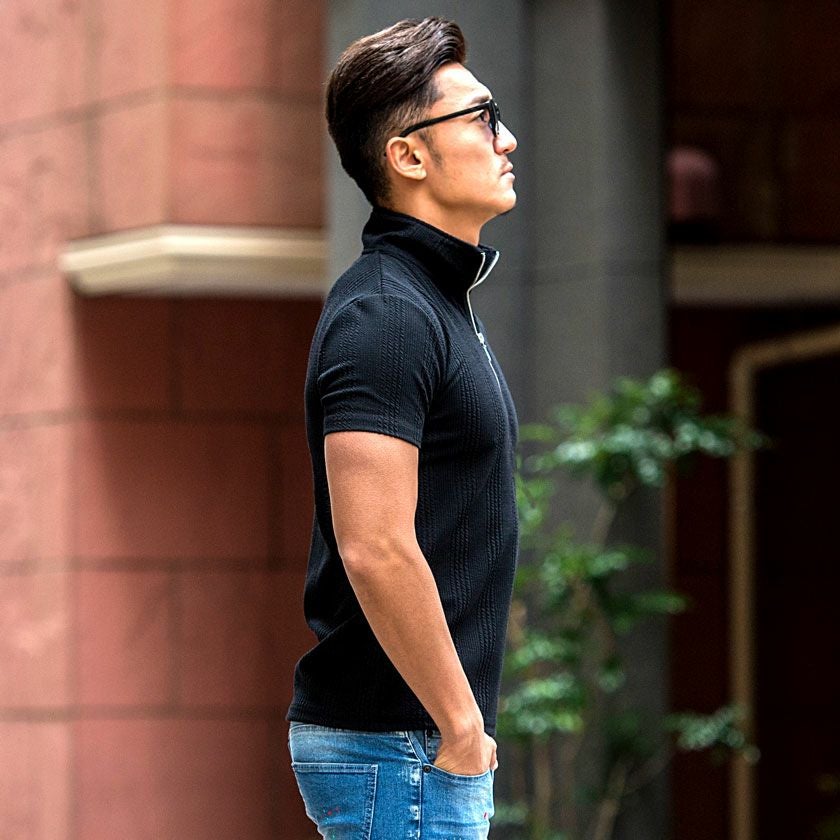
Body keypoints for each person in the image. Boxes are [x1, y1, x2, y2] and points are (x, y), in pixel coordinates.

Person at [287, 16, 519, 839]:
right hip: (403, 746)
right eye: (483, 118)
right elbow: (374, 545)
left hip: (412, 745)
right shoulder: (387, 314)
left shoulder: (430, 303)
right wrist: (460, 726)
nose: (507, 139)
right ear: (409, 157)